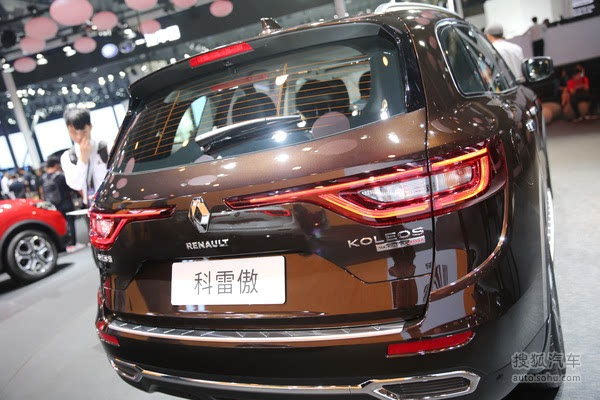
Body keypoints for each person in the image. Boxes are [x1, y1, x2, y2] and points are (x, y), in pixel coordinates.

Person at [60, 106, 109, 206]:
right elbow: (76, 185)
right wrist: (82, 160)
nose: (79, 136)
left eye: (83, 132)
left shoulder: (106, 148)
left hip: (112, 204)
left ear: (90, 126)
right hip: (91, 207)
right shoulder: (68, 157)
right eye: (74, 133)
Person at [42, 156, 82, 252]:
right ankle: (73, 243)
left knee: (61, 224)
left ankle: (65, 245)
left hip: (53, 205)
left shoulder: (44, 178)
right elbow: (70, 188)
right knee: (70, 223)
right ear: (56, 165)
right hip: (66, 202)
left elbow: (42, 192)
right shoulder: (60, 176)